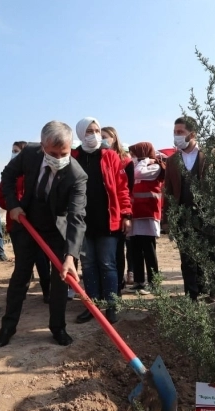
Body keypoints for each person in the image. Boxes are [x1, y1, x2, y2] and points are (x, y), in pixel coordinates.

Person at [0, 121, 87, 348]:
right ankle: (8, 326)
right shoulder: (30, 154)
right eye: (52, 153)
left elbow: (76, 217)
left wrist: (70, 256)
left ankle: (58, 328)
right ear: (43, 146)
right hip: (28, 224)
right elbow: (7, 175)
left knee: (60, 280)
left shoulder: (77, 175)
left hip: (57, 229)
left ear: (70, 148)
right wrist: (13, 205)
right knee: (20, 276)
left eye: (63, 153)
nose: (58, 157)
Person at [72, 118, 132, 325]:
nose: (95, 134)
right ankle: (93, 306)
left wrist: (126, 214)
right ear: (81, 133)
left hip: (108, 219)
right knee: (88, 265)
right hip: (82, 222)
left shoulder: (111, 156)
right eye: (89, 131)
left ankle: (112, 305)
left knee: (107, 263)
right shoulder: (73, 157)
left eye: (97, 130)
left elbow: (123, 187)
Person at [164, 116, 214, 302]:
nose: (176, 136)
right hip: (183, 215)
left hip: (207, 216)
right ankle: (191, 295)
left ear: (192, 134)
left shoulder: (211, 156)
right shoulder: (171, 161)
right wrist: (169, 219)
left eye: (180, 132)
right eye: (175, 132)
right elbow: (168, 191)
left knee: (209, 255)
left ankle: (211, 291)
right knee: (187, 258)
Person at [0, 141, 51, 304]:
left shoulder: (36, 172)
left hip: (38, 226)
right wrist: (14, 207)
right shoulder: (10, 176)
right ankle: (20, 294)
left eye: (17, 151)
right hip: (17, 225)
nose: (15, 154)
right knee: (22, 263)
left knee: (42, 261)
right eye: (13, 151)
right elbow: (1, 197)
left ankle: (47, 291)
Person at [126, 142, 165, 295]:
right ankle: (139, 281)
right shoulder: (138, 166)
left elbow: (137, 174)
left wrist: (144, 161)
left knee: (148, 250)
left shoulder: (154, 167)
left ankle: (154, 282)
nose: (132, 156)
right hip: (135, 214)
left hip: (148, 214)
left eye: (135, 154)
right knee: (135, 250)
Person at [102, 126, 135, 296]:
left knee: (118, 251)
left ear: (114, 138)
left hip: (119, 212)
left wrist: (126, 214)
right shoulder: (98, 158)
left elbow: (126, 189)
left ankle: (118, 286)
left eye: (104, 136)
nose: (101, 139)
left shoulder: (125, 161)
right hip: (103, 215)